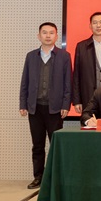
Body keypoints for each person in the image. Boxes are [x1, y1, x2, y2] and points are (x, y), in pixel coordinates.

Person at [19, 22, 71, 189]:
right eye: (44, 32)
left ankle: (54, 178)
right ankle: (38, 177)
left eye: (51, 33)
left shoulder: (64, 56)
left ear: (56, 36)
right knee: (37, 145)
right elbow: (25, 81)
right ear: (38, 36)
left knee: (55, 146)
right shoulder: (31, 56)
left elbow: (68, 83)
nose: (48, 36)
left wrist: (66, 104)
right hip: (35, 108)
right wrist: (23, 103)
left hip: (55, 109)